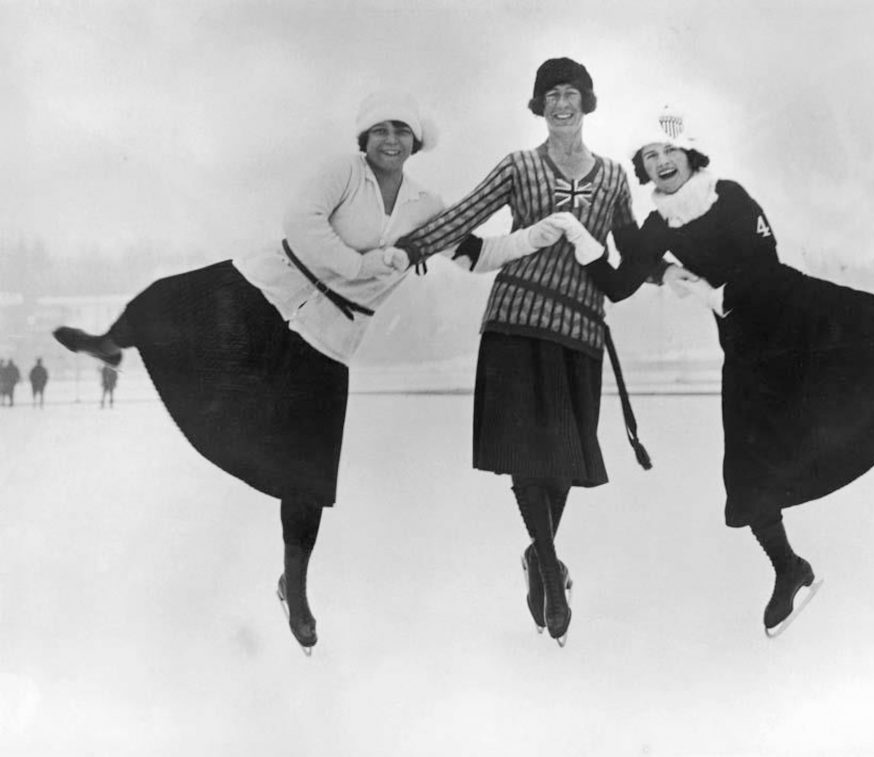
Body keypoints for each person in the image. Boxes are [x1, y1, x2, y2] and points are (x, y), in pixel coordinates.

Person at [52, 90, 562, 655]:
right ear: (363, 139)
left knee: (308, 474)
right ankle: (109, 342)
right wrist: (366, 264)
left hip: (331, 336)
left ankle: (293, 586)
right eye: (380, 131)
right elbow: (303, 226)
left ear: (416, 143)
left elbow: (474, 254)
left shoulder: (425, 206)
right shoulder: (342, 173)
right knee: (169, 301)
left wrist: (533, 239)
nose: (390, 140)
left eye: (401, 132)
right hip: (266, 288)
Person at [562, 106, 874, 637]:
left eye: (668, 151)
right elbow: (617, 283)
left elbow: (763, 263)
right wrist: (578, 234)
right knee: (746, 475)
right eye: (649, 156)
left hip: (798, 315)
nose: (660, 162)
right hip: (748, 348)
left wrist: (708, 291)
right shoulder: (658, 224)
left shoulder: (729, 195)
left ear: (690, 153)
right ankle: (789, 569)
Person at [395, 58, 665, 647]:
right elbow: (465, 217)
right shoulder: (518, 167)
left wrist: (680, 238)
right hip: (515, 321)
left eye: (570, 94)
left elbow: (632, 253)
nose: (560, 104)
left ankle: (538, 553)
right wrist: (408, 246)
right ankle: (547, 566)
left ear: (586, 102)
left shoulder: (617, 177)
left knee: (563, 460)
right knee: (526, 453)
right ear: (538, 106)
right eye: (550, 95)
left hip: (582, 331)